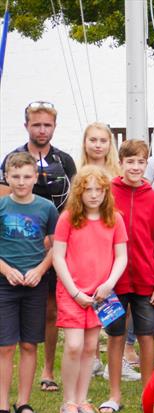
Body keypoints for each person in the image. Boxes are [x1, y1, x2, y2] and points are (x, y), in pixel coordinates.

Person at [2, 102, 77, 395]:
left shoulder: (65, 160)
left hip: (54, 243)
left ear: (54, 127)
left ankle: (47, 371)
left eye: (47, 125)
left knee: (50, 310)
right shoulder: (13, 159)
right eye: (36, 125)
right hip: (22, 243)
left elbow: (72, 203)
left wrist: (55, 239)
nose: (41, 130)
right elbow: (6, 204)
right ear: (26, 126)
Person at [52, 165, 127, 413]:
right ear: (79, 192)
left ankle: (83, 401)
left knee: (88, 349)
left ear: (107, 192)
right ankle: (68, 403)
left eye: (99, 190)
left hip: (99, 296)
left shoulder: (114, 219)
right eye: (88, 190)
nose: (94, 195)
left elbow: (121, 256)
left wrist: (108, 284)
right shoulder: (68, 218)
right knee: (73, 346)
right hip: (73, 292)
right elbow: (58, 256)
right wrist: (74, 291)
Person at [102, 140, 154, 413]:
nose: (135, 167)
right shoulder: (109, 192)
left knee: (145, 336)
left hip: (145, 280)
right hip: (113, 281)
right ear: (121, 163)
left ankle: (148, 393)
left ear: (146, 165)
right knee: (116, 335)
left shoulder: (153, 197)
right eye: (129, 161)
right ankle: (114, 394)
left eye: (140, 162)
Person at [0, 153, 59, 413]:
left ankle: (22, 404)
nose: (21, 182)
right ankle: (1, 405)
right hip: (5, 285)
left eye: (27, 177)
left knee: (28, 344)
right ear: (7, 178)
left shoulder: (46, 208)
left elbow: (56, 246)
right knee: (6, 346)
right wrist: (6, 270)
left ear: (35, 178)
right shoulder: (2, 206)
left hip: (35, 285)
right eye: (16, 177)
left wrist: (40, 270)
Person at [77, 122, 124, 381]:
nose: (97, 145)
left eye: (102, 140)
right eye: (92, 140)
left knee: (115, 301)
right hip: (88, 245)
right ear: (85, 143)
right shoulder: (78, 172)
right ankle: (92, 355)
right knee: (91, 299)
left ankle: (117, 358)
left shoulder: (117, 175)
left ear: (110, 144)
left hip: (113, 242)